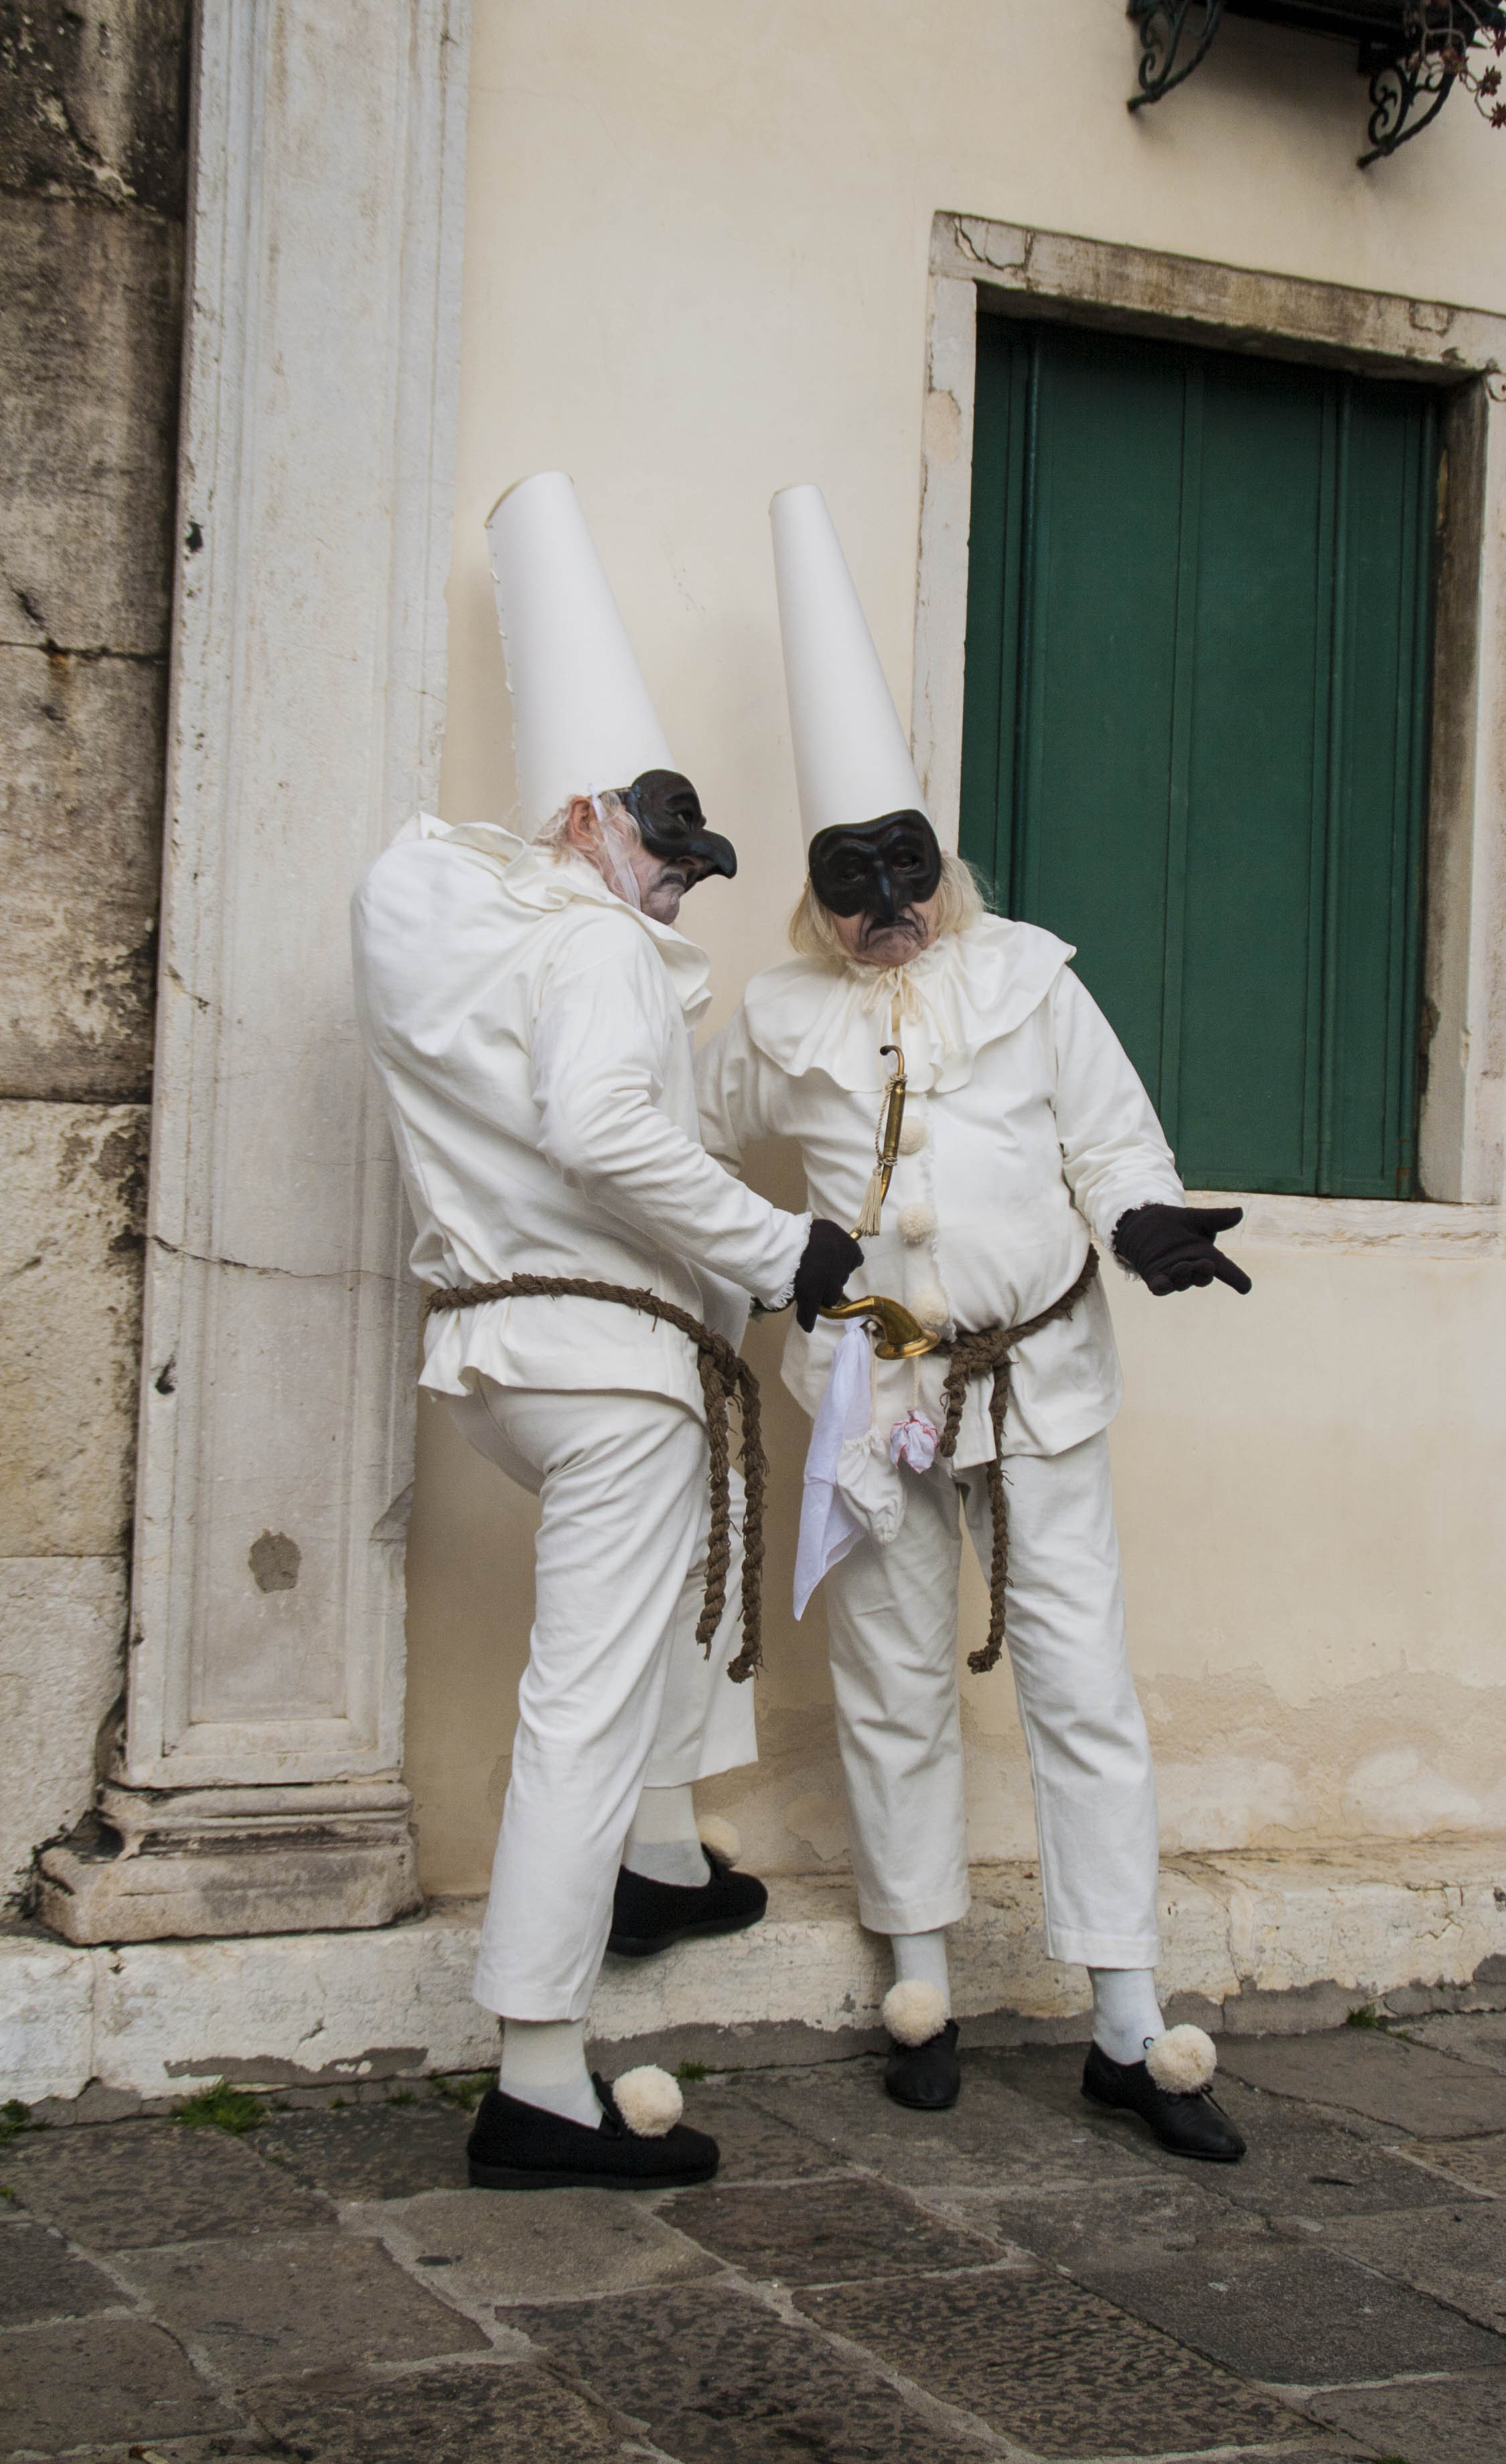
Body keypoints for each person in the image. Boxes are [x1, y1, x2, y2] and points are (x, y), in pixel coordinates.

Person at [696, 485, 1250, 2161]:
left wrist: (1144, 1221)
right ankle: (919, 1983)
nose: (889, 902)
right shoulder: (773, 1017)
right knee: (889, 1681)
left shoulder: (1028, 975)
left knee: (1083, 1683)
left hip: (1040, 1389)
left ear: (943, 861)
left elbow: (1110, 1129)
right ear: (815, 890)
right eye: (853, 880)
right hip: (875, 1397)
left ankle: (1127, 2018)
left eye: (907, 868)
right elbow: (678, 1156)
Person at [352, 473, 861, 2189]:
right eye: (660, 846)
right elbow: (608, 1139)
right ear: (581, 818)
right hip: (612, 1367)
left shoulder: (481, 952)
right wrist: (788, 1245)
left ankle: (652, 1860)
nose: (674, 888)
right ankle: (542, 2075)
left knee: (627, 1655)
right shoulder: (584, 949)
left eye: (691, 867)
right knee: (580, 1697)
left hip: (509, 1359)